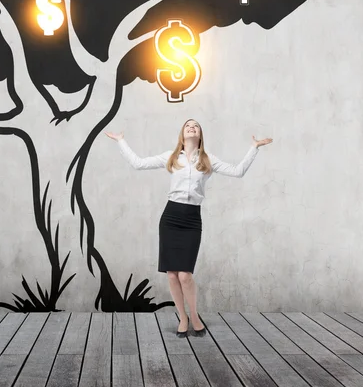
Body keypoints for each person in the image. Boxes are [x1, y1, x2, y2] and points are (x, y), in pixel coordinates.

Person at [105, 119, 273, 337]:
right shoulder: (172, 156)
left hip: (192, 219)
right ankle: (182, 318)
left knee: (185, 275)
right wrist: (121, 141)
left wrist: (254, 148)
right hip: (170, 218)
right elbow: (138, 163)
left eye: (196, 125)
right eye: (188, 125)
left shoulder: (208, 159)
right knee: (172, 275)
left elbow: (238, 171)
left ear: (200, 133)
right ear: (182, 133)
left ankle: (194, 316)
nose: (192, 127)